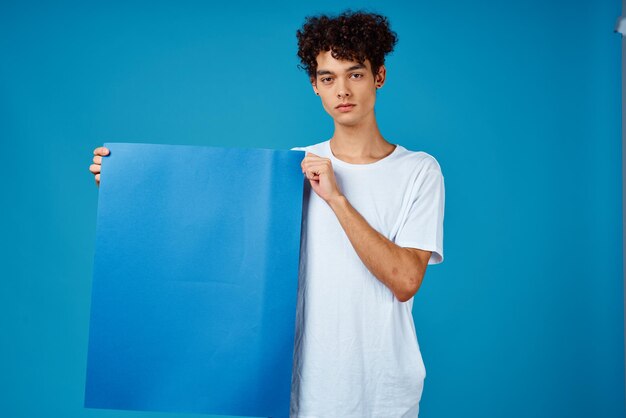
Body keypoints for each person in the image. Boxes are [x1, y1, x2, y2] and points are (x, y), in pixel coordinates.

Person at [89, 9, 445, 418]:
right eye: (328, 78)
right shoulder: (291, 167)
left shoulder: (418, 170)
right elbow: (209, 229)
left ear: (379, 76)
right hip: (299, 390)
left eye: (356, 74)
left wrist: (337, 199)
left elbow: (405, 280)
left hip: (383, 393)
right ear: (315, 85)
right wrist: (129, 188)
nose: (342, 90)